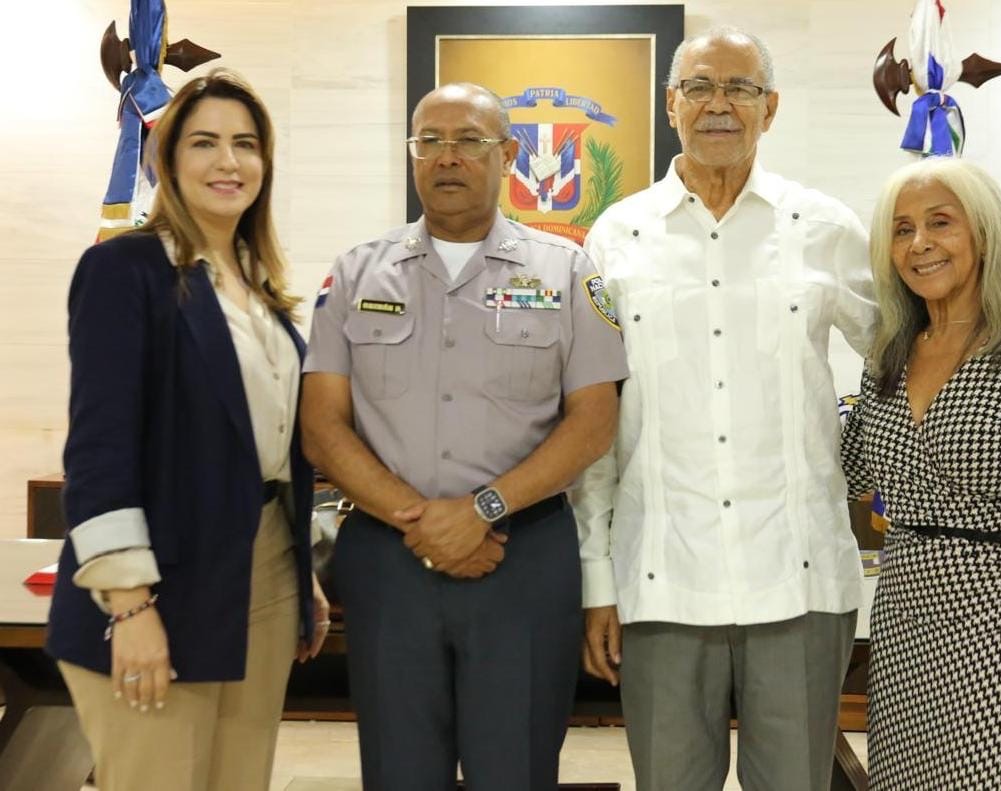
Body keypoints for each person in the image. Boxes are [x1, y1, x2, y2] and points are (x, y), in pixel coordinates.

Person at [572, 26, 1001, 791]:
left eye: (741, 88)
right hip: (662, 576)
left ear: (770, 108)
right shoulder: (614, 238)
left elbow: (930, 329)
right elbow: (597, 423)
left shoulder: (826, 229)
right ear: (671, 102)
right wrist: (596, 577)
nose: (720, 105)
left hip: (801, 580)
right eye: (701, 88)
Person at [300, 82, 628, 790]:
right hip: (391, 562)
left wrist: (478, 512)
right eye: (431, 141)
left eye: (469, 141)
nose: (448, 157)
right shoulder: (355, 272)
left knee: (515, 768)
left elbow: (594, 422)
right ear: (414, 153)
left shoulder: (567, 271)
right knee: (398, 771)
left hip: (523, 560)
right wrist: (423, 522)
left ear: (509, 154)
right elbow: (322, 427)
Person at [46, 69, 330, 791]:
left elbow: (269, 442)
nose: (227, 162)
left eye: (245, 144)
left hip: (260, 574)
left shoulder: (259, 289)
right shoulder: (125, 270)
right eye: (204, 143)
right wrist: (131, 604)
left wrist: (299, 568)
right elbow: (99, 450)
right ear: (166, 160)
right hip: (155, 584)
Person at [840, 157, 1001, 788]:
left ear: (984, 233)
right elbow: (847, 469)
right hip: (904, 625)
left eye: (940, 223)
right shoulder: (888, 355)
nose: (920, 244)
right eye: (902, 230)